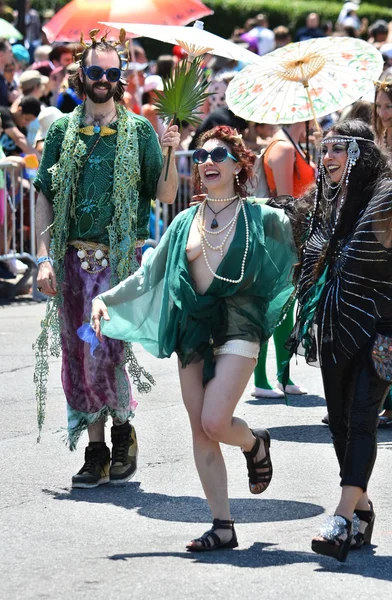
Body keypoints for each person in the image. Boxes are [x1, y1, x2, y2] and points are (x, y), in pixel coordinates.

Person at [90, 126, 296, 550]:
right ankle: (222, 525)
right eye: (200, 153)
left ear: (239, 164)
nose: (207, 161)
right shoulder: (185, 221)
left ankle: (254, 443)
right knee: (201, 432)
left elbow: (299, 260)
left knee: (215, 421)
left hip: (239, 322)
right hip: (192, 329)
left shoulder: (264, 216)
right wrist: (103, 298)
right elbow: (149, 275)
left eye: (219, 154)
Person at [33, 30, 180, 489]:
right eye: (95, 72)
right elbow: (44, 196)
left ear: (121, 79)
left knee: (109, 350)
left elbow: (165, 193)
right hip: (72, 261)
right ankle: (95, 450)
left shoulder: (138, 131)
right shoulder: (62, 129)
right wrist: (43, 259)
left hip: (119, 262)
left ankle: (122, 433)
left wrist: (171, 147)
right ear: (82, 74)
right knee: (79, 352)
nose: (103, 80)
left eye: (112, 73)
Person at [287, 120, 392, 562]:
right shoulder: (322, 203)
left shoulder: (390, 197)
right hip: (335, 323)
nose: (328, 157)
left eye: (339, 149)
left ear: (362, 155)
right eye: (324, 149)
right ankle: (363, 508)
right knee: (338, 425)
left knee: (360, 420)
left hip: (383, 327)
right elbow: (305, 243)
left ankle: (340, 518)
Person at [252, 121, 315, 398]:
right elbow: (287, 201)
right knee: (275, 304)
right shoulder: (285, 147)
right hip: (282, 235)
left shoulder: (290, 144)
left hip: (284, 234)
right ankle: (266, 379)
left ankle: (280, 376)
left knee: (284, 305)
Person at [373, 78, 392, 427]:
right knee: (384, 327)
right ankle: (388, 403)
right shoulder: (380, 139)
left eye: (389, 106)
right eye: (379, 106)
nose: (382, 113)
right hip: (382, 241)